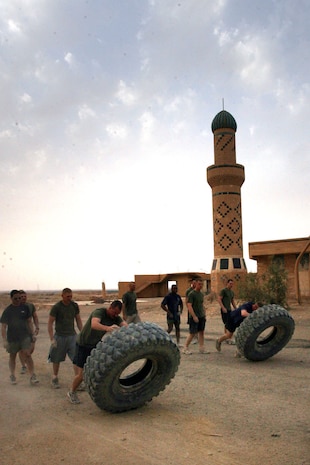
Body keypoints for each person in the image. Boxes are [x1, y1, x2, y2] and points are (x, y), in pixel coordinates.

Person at [67, 300, 127, 404]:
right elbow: (94, 324)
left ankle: (81, 383)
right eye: (114, 312)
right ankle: (71, 392)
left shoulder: (115, 317)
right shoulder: (99, 312)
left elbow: (125, 325)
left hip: (94, 345)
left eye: (117, 313)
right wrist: (107, 328)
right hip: (83, 344)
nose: (115, 315)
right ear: (110, 308)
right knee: (81, 374)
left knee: (94, 369)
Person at [0, 290, 39, 385]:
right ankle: (12, 375)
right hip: (12, 338)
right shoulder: (8, 310)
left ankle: (32, 375)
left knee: (28, 354)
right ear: (11, 298)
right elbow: (4, 327)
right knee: (12, 356)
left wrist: (33, 334)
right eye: (15, 298)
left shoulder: (25, 308)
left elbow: (29, 321)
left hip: (24, 336)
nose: (18, 300)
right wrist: (4, 340)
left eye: (19, 298)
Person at [48, 288, 83, 389]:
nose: (70, 298)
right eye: (68, 296)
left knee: (76, 359)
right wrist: (52, 339)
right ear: (62, 296)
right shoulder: (57, 307)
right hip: (59, 336)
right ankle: (55, 378)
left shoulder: (74, 306)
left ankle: (78, 381)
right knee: (56, 358)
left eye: (71, 296)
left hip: (72, 336)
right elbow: (50, 323)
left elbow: (78, 320)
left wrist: (82, 333)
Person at [183, 279, 208, 354]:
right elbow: (189, 305)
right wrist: (194, 316)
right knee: (192, 333)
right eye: (199, 284)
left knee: (201, 332)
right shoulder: (192, 294)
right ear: (195, 284)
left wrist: (204, 314)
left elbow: (202, 304)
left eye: (201, 284)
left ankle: (201, 348)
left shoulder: (201, 294)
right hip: (194, 316)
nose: (200, 286)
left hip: (201, 316)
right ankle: (185, 347)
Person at [18, 290, 39, 374]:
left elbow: (35, 317)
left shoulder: (30, 306)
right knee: (21, 350)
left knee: (31, 349)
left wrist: (37, 327)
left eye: (25, 296)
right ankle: (24, 366)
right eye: (21, 297)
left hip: (30, 331)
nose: (23, 298)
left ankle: (26, 360)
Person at [218, 279, 237, 343]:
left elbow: (232, 301)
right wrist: (223, 307)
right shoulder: (223, 291)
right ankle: (226, 337)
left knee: (229, 323)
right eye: (230, 283)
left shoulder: (231, 292)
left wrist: (235, 308)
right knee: (226, 323)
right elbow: (219, 299)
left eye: (232, 284)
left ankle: (228, 336)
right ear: (227, 283)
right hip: (224, 309)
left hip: (229, 309)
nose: (231, 285)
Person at [185, 278, 198, 344]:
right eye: (194, 283)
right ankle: (193, 337)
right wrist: (188, 308)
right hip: (191, 310)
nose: (195, 284)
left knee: (198, 324)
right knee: (192, 324)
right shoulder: (189, 291)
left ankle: (196, 337)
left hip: (197, 310)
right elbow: (186, 301)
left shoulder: (198, 291)